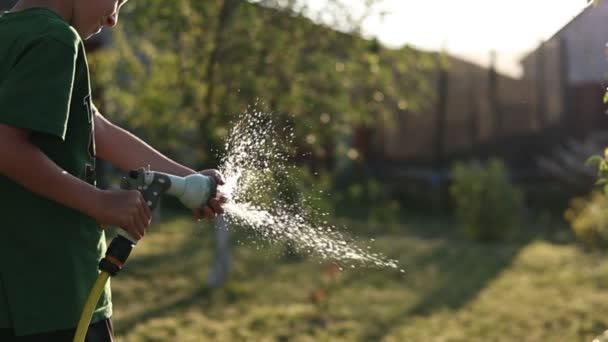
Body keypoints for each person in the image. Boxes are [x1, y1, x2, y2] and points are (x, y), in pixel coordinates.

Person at [0, 0, 225, 340]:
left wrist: (188, 181)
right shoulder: (57, 40)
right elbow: (5, 146)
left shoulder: (11, 34)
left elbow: (94, 127)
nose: (113, 18)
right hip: (58, 297)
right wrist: (98, 202)